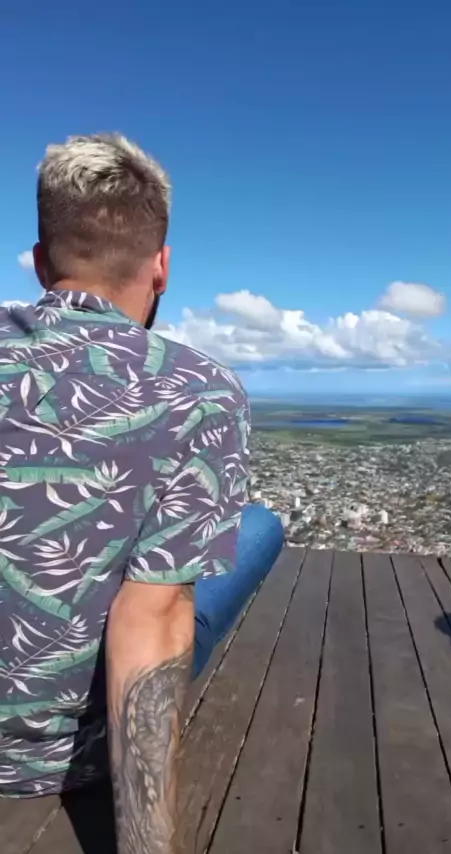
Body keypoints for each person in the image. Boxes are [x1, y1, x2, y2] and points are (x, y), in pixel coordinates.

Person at [0, 134, 283, 849]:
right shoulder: (199, 391)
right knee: (257, 526)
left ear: (40, 263)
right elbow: (149, 621)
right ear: (162, 267)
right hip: (63, 755)